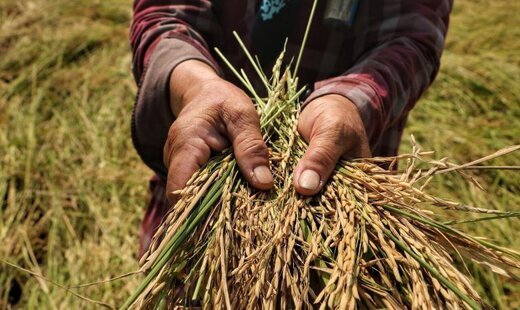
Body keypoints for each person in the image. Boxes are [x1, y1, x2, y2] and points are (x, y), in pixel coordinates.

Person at [130, 0, 452, 257]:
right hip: (204, 183)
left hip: (337, 209)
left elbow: (412, 37)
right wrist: (197, 89)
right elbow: (164, 15)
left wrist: (349, 102)